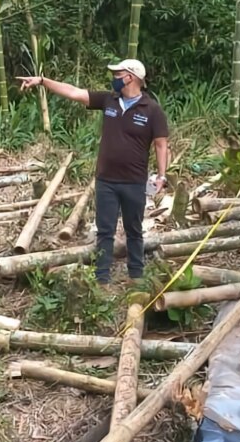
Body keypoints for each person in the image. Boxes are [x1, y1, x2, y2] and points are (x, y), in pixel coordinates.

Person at [18, 59, 169, 284]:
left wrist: (161, 175)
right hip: (106, 180)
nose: (114, 79)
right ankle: (102, 278)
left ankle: (137, 276)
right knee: (105, 231)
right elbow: (74, 93)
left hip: (134, 182)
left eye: (118, 75)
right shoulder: (109, 100)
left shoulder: (152, 110)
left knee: (134, 230)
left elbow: (161, 144)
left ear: (131, 77)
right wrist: (42, 81)